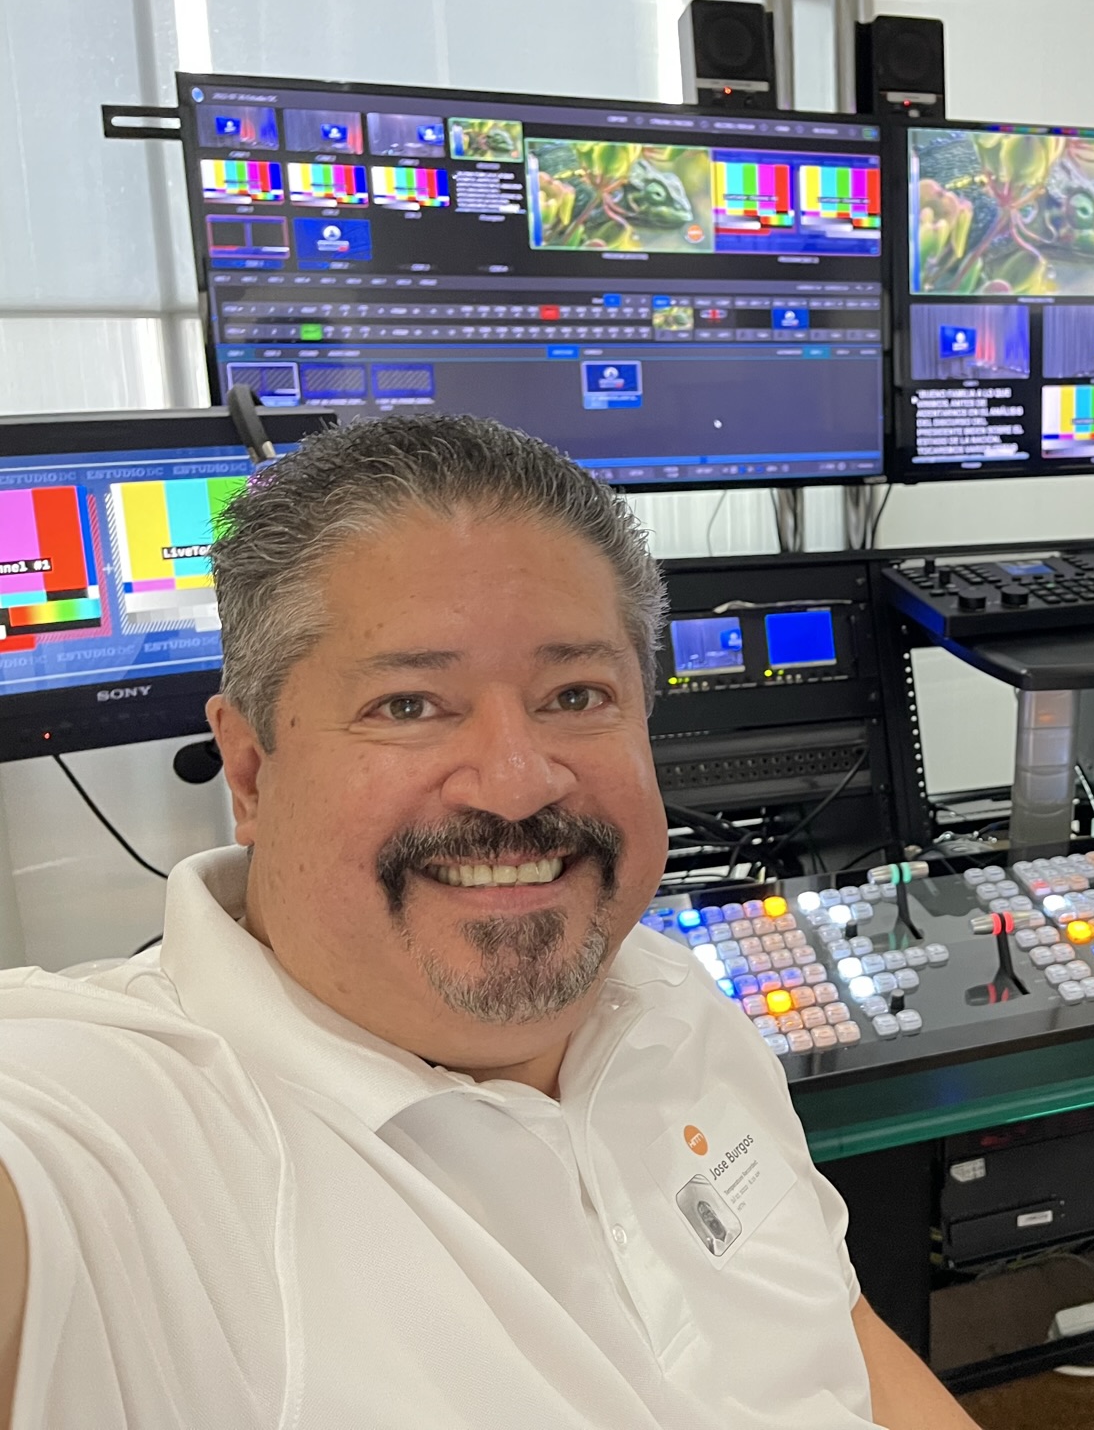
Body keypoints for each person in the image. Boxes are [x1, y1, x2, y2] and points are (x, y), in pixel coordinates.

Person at [0, 415, 978, 1429]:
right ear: (249, 771)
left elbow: (834, 1330)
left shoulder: (664, 992)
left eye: (575, 694)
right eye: (409, 705)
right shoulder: (122, 1133)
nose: (516, 782)